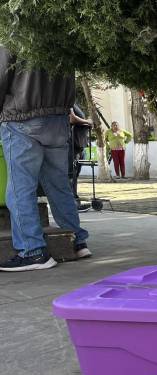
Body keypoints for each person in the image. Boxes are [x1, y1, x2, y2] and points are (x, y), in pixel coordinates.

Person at [0, 46, 91, 271]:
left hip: (21, 118)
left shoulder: (10, 34)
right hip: (58, 118)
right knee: (59, 184)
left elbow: (2, 75)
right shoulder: (56, 31)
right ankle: (77, 241)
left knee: (20, 189)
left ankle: (33, 251)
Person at [69, 103, 92, 211]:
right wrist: (87, 122)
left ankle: (75, 202)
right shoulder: (67, 99)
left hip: (78, 145)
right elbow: (72, 118)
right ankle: (73, 204)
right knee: (71, 175)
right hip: (71, 144)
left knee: (74, 175)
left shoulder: (73, 102)